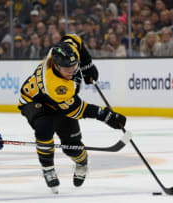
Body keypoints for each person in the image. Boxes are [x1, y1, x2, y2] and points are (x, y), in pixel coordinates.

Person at [18, 34, 126, 193]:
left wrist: (87, 65)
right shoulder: (54, 85)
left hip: (63, 103)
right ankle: (48, 169)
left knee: (72, 146)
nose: (71, 71)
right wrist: (105, 115)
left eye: (74, 67)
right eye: (67, 69)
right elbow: (76, 110)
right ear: (55, 65)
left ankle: (81, 162)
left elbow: (74, 38)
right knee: (44, 128)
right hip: (35, 101)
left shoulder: (67, 52)